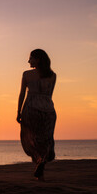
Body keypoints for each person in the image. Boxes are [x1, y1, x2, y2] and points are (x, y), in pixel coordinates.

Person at [17, 49, 57, 181]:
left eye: (31, 58)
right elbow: (49, 95)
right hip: (48, 110)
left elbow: (22, 94)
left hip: (31, 108)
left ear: (38, 59)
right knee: (46, 139)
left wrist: (18, 111)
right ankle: (42, 165)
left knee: (32, 139)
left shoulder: (27, 74)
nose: (28, 61)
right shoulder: (52, 75)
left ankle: (39, 166)